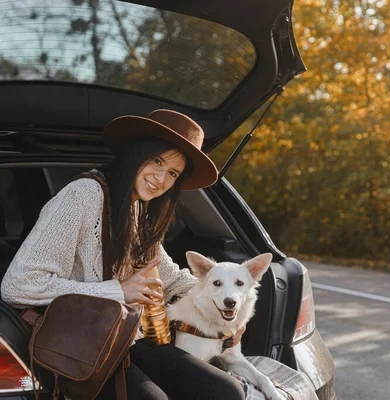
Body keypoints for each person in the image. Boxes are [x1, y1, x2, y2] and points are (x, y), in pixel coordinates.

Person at [0, 109, 245, 400]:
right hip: (73, 342)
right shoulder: (83, 196)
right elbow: (18, 286)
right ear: (136, 153)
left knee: (225, 391)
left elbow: (172, 279)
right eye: (157, 160)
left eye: (172, 173)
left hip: (122, 337)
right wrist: (118, 291)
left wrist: (228, 307)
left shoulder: (138, 209)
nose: (160, 178)